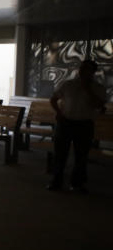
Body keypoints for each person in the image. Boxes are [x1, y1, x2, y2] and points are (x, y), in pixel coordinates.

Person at [48, 59, 107, 193]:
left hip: (84, 124)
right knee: (60, 154)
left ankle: (77, 184)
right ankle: (56, 181)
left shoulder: (98, 88)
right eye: (81, 69)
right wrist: (59, 113)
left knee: (81, 156)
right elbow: (53, 99)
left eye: (86, 69)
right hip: (65, 123)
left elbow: (99, 105)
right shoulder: (68, 85)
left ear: (92, 72)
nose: (82, 72)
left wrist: (88, 89)